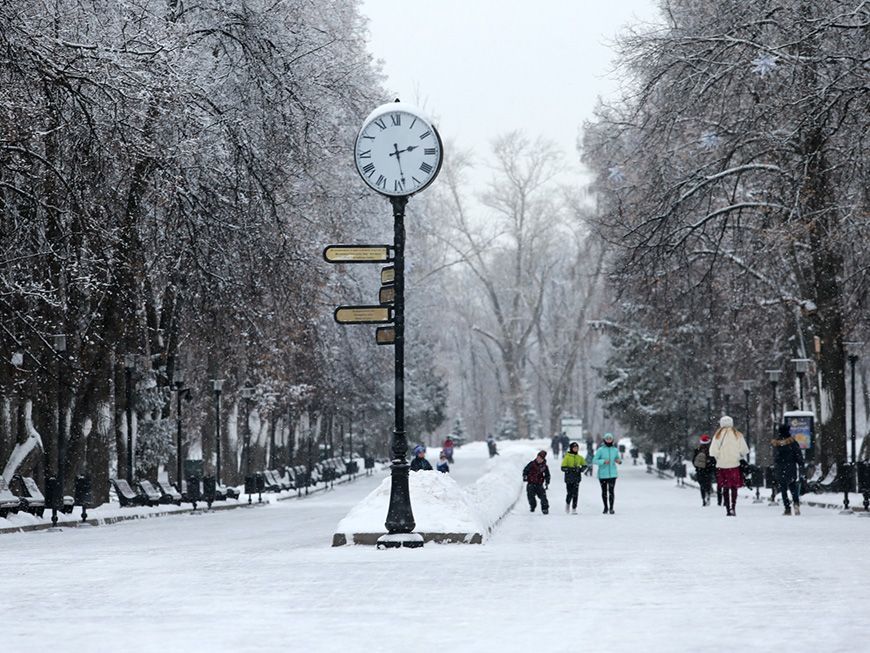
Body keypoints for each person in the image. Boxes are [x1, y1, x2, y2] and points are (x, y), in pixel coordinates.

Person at [708, 416, 749, 516]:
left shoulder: (717, 435)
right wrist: (737, 455)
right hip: (734, 465)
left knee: (725, 487)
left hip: (722, 465)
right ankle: (733, 507)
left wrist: (719, 457)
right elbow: (744, 450)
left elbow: (712, 451)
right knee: (734, 487)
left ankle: (727, 508)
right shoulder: (738, 434)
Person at [773, 423, 805, 515]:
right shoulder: (793, 442)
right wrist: (800, 464)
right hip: (791, 468)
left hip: (780, 468)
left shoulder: (777, 443)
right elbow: (798, 455)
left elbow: (775, 457)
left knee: (783, 489)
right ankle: (796, 505)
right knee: (793, 487)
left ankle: (787, 508)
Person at [592, 433, 622, 514]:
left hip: (613, 474)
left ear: (612, 440)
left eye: (610, 439)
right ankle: (605, 507)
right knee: (604, 491)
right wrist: (603, 461)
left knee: (611, 491)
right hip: (603, 474)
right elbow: (594, 460)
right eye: (607, 439)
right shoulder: (600, 450)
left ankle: (611, 508)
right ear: (604, 440)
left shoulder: (615, 450)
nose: (609, 440)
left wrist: (618, 461)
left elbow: (618, 458)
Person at [560, 441, 586, 514]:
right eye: (574, 448)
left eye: (577, 448)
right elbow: (562, 467)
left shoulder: (580, 457)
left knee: (575, 493)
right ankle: (568, 504)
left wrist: (580, 469)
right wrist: (570, 469)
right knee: (569, 493)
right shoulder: (567, 457)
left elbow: (585, 465)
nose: (576, 449)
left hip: (577, 478)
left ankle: (574, 508)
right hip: (569, 478)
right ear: (571, 448)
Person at [522, 450, 551, 514]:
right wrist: (525, 476)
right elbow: (525, 470)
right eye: (538, 457)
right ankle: (532, 506)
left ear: (543, 459)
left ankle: (545, 508)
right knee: (530, 496)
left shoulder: (544, 466)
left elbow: (547, 475)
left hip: (539, 484)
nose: (539, 459)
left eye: (541, 458)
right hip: (530, 483)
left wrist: (547, 481)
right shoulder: (532, 464)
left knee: (543, 497)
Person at [691, 434, 716, 506]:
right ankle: (708, 494)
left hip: (700, 471)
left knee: (702, 486)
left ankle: (703, 499)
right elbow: (714, 461)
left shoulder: (697, 450)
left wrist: (698, 467)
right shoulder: (711, 450)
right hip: (708, 471)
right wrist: (712, 468)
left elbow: (694, 461)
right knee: (708, 484)